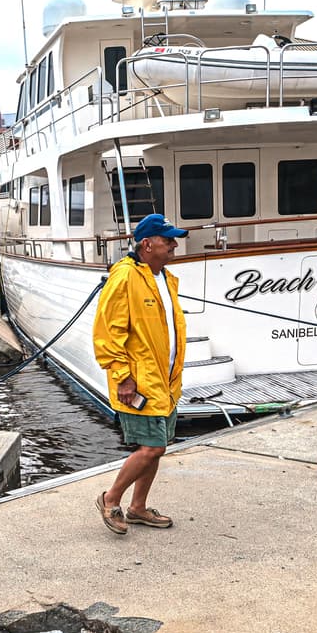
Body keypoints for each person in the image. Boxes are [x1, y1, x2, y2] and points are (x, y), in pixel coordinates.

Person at [92, 213, 187, 535]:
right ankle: (110, 499)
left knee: (158, 446)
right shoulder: (125, 277)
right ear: (147, 245)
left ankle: (138, 508)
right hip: (140, 380)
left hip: (166, 381)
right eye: (167, 239)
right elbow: (108, 333)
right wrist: (123, 377)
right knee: (152, 447)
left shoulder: (164, 278)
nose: (174, 244)